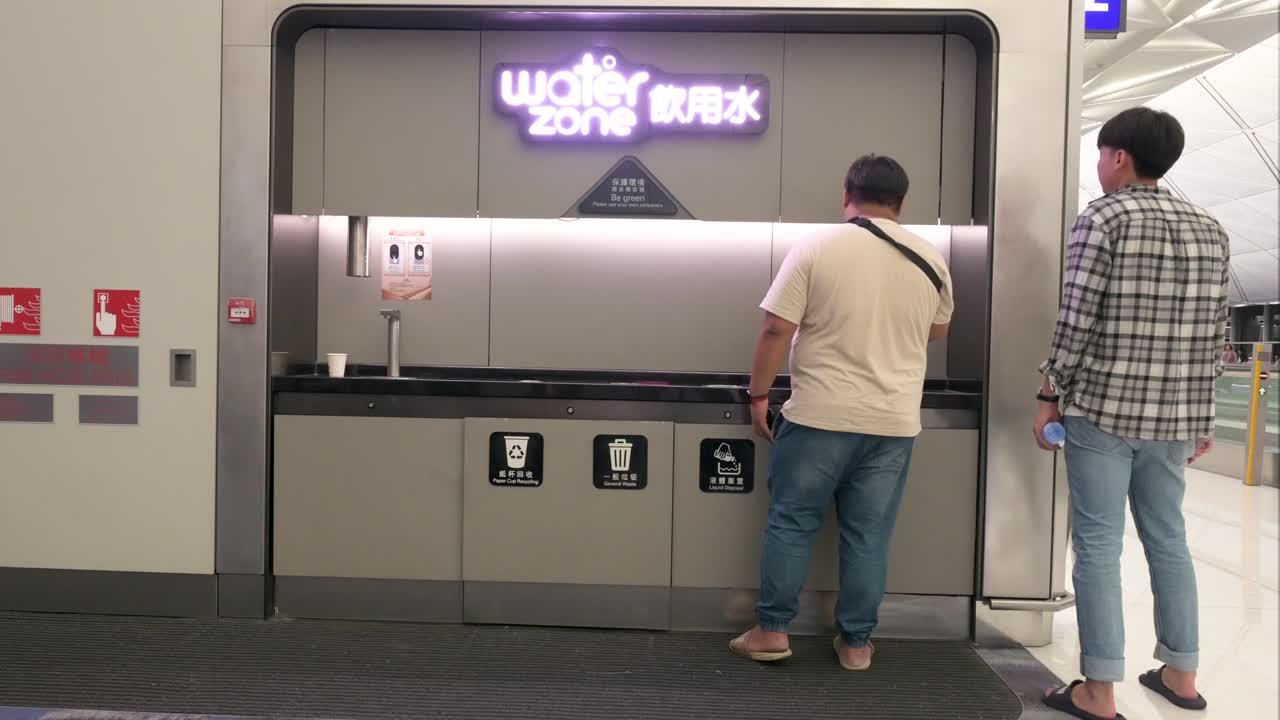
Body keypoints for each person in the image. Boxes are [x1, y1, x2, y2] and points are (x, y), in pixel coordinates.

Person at [1034, 107, 1230, 720]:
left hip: (1105, 411)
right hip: (1174, 419)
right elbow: (1215, 333)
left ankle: (1098, 689)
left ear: (1119, 157)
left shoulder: (1103, 217)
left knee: (1096, 545)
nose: (1100, 167)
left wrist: (1048, 393)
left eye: (1101, 155)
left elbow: (1076, 315)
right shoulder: (1211, 228)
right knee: (1169, 540)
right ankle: (1181, 672)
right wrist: (1203, 418)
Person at [730, 154, 953, 671]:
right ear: (902, 202)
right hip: (892, 423)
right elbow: (936, 331)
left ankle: (773, 632)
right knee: (869, 535)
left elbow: (774, 329)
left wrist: (758, 396)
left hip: (818, 417)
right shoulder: (931, 258)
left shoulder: (816, 247)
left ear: (846, 195)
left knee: (791, 523)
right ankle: (855, 645)